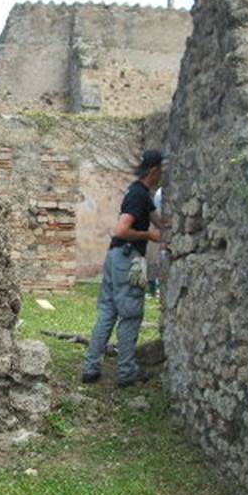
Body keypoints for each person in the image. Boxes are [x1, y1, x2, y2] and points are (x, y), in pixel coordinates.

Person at [81, 149, 167, 387]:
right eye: (161, 170)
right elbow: (121, 230)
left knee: (107, 312)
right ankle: (127, 371)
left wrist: (169, 228)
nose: (162, 175)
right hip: (129, 259)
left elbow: (159, 221)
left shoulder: (140, 193)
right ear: (154, 170)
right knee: (131, 313)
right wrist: (149, 235)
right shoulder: (138, 195)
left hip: (115, 256)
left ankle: (91, 368)